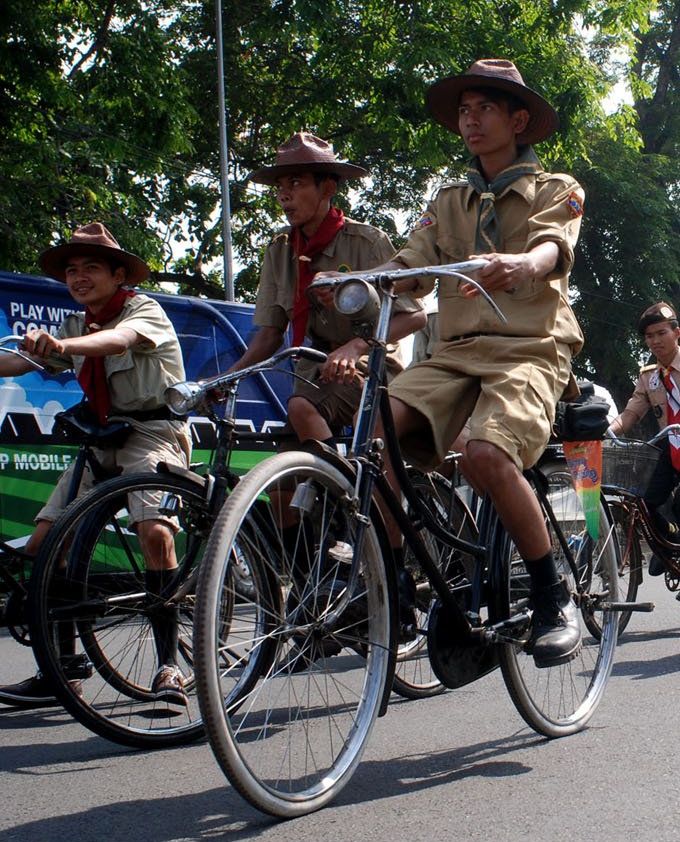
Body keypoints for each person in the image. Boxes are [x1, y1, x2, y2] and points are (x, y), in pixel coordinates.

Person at [315, 59, 585, 664]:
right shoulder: (449, 201)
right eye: (464, 110)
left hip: (530, 347)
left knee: (488, 455)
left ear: (519, 120)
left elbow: (551, 246)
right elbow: (409, 268)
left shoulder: (556, 189)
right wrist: (359, 280)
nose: (470, 120)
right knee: (375, 439)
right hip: (456, 351)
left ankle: (551, 593)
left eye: (484, 108)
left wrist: (525, 264)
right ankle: (389, 588)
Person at [0, 225, 191, 709]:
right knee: (45, 547)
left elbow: (119, 340)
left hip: (153, 432)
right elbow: (18, 362)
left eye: (90, 268)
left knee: (154, 533)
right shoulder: (73, 323)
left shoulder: (143, 310)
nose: (78, 277)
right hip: (101, 438)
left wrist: (63, 348)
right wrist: (41, 347)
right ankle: (62, 670)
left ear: (117, 274)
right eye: (71, 270)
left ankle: (170, 668)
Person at [224, 133, 425, 442]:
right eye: (280, 187)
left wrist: (355, 347)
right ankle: (330, 479)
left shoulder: (367, 243)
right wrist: (225, 378)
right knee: (282, 489)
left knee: (303, 409)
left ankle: (345, 491)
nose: (283, 196)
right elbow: (269, 334)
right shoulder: (279, 250)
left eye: (295, 183)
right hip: (313, 378)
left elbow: (415, 317)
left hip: (369, 375)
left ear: (327, 189)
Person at [607, 302, 680, 589]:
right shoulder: (649, 376)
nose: (655, 341)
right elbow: (632, 413)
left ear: (676, 332)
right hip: (667, 446)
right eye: (649, 336)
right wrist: (609, 430)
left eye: (660, 333)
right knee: (640, 496)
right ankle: (669, 545)